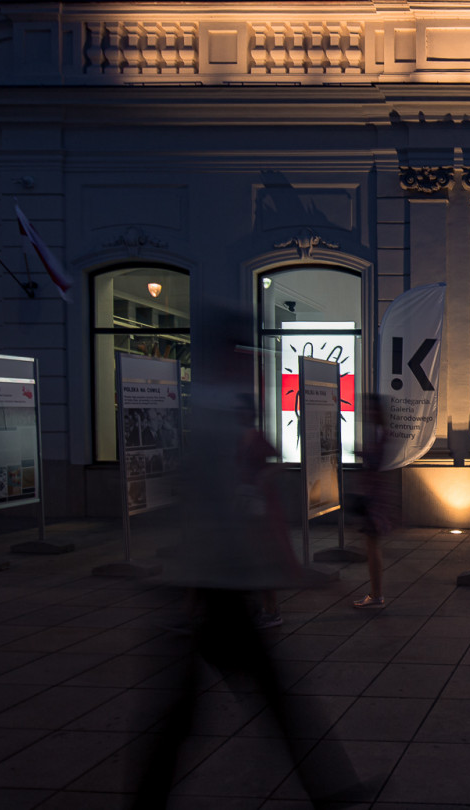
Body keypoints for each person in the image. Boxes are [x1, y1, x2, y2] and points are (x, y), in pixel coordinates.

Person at [134, 306, 361, 808]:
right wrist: (287, 568)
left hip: (212, 586)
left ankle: (330, 788)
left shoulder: (218, 412)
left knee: (237, 702)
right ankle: (331, 789)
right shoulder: (223, 420)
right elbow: (239, 507)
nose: (252, 362)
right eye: (245, 353)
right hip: (215, 587)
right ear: (229, 355)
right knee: (260, 698)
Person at [352, 394, 393, 608]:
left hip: (374, 499)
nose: (368, 413)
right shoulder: (378, 432)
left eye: (371, 409)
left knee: (372, 545)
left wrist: (361, 453)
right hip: (374, 496)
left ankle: (376, 594)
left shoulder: (381, 434)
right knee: (371, 545)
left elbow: (376, 461)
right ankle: (376, 593)